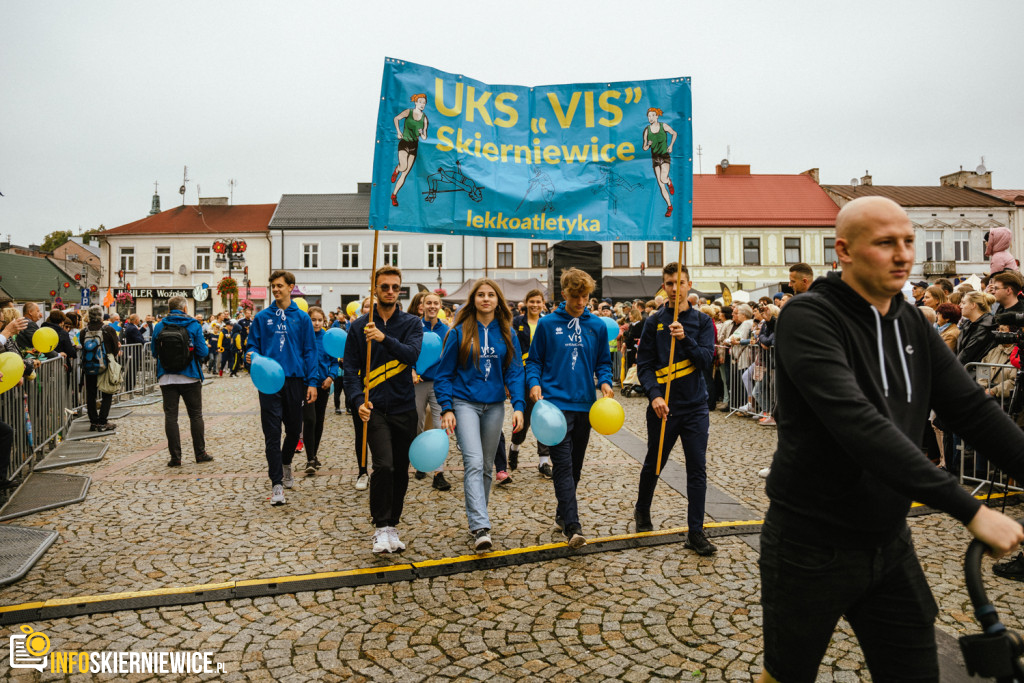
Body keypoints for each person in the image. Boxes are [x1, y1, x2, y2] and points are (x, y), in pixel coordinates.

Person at [757, 196, 1024, 683]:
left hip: (888, 540)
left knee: (914, 671)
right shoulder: (809, 318)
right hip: (810, 543)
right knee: (787, 674)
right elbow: (859, 425)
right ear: (845, 251)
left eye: (908, 241)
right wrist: (970, 508)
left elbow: (973, 411)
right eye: (885, 243)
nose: (903, 254)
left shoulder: (910, 323)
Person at [525, 268, 614, 549]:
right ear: (564, 294)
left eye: (585, 297)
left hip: (585, 405)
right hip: (555, 407)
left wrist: (606, 383)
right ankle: (573, 527)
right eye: (575, 297)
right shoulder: (548, 324)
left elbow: (603, 362)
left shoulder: (597, 326)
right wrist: (534, 382)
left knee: (575, 466)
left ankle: (563, 514)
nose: (580, 302)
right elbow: (535, 361)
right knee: (562, 465)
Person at [434, 279, 525, 552]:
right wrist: (447, 408)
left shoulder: (507, 332)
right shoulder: (459, 332)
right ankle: (480, 526)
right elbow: (443, 375)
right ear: (473, 300)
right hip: (464, 403)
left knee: (487, 466)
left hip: (495, 405)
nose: (486, 299)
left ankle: (478, 516)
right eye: (481, 295)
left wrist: (519, 405)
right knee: (473, 461)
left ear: (498, 300)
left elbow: (515, 371)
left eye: (491, 295)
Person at [633, 263, 716, 555]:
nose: (674, 288)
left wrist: (685, 338)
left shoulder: (702, 322)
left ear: (688, 285)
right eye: (669, 283)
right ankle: (642, 509)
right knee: (655, 462)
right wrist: (654, 395)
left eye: (679, 283)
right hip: (663, 408)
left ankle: (696, 532)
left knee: (697, 469)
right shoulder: (653, 321)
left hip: (695, 407)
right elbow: (643, 365)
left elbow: (707, 359)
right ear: (663, 286)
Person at [343, 267, 423, 554]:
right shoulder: (358, 326)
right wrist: (356, 401)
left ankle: (392, 526)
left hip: (404, 406)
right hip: (373, 407)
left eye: (395, 287)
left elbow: (412, 355)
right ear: (374, 289)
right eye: (385, 286)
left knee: (401, 470)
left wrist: (383, 338)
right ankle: (379, 527)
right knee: (384, 466)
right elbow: (350, 370)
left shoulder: (412, 323)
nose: (390, 291)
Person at [245, 271, 318, 506]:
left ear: (291, 287)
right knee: (272, 433)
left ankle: (286, 462)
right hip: (269, 382)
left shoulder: (302, 318)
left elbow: (310, 351)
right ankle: (276, 483)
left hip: (295, 380)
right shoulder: (262, 317)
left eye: (280, 286)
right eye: (273, 286)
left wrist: (312, 381)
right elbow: (253, 345)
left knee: (295, 429)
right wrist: (251, 355)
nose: (276, 290)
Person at [151, 296, 213, 467]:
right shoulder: (193, 325)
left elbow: (154, 352)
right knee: (195, 415)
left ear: (169, 309)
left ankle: (175, 457)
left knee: (171, 416)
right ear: (185, 308)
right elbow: (202, 352)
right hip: (190, 375)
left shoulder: (159, 326)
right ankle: (200, 454)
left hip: (166, 377)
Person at [509, 289, 551, 477]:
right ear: (526, 303)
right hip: (522, 375)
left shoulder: (547, 323)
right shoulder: (517, 323)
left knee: (544, 417)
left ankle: (544, 461)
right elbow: (510, 350)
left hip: (544, 375)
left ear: (543, 303)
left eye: (538, 301)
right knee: (523, 418)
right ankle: (514, 447)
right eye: (531, 301)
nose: (535, 305)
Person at [412, 292, 452, 491]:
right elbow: (408, 351)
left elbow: (450, 357)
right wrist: (411, 369)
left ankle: (439, 472)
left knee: (439, 427)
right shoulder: (414, 327)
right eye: (428, 303)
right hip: (417, 383)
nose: (432, 306)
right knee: (417, 423)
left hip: (439, 384)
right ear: (422, 305)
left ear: (440, 306)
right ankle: (420, 462)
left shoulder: (447, 330)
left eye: (436, 303)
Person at [301, 307, 337, 474]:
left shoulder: (327, 339)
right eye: (313, 320)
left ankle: (314, 455)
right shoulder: (303, 338)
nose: (316, 323)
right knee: (309, 419)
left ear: (324, 321)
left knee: (319, 420)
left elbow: (335, 361)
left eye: (319, 320)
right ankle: (310, 458)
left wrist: (331, 377)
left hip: (323, 385)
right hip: (307, 385)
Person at [346, 296, 374, 490]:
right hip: (360, 387)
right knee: (361, 432)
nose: (369, 309)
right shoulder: (355, 329)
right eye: (366, 306)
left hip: (379, 387)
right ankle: (362, 470)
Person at [81, 305, 120, 432]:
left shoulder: (84, 331)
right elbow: (115, 348)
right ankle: (103, 421)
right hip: (105, 364)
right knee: (107, 392)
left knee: (91, 394)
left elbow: (82, 345)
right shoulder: (108, 329)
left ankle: (93, 422)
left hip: (89, 364)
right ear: (101, 316)